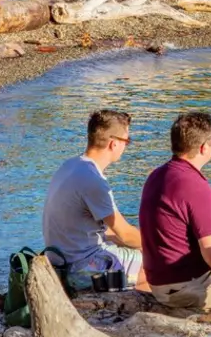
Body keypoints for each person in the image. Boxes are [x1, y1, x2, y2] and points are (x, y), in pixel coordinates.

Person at [140, 111, 211, 311]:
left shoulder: (157, 175)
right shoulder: (195, 186)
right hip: (186, 288)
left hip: (159, 283)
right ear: (204, 146)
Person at [42, 109, 146, 291]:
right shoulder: (94, 180)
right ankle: (135, 314)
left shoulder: (70, 165)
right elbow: (125, 234)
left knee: (139, 251)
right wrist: (164, 244)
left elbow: (105, 232)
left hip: (61, 261)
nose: (126, 146)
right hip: (81, 269)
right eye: (127, 141)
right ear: (114, 144)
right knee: (159, 266)